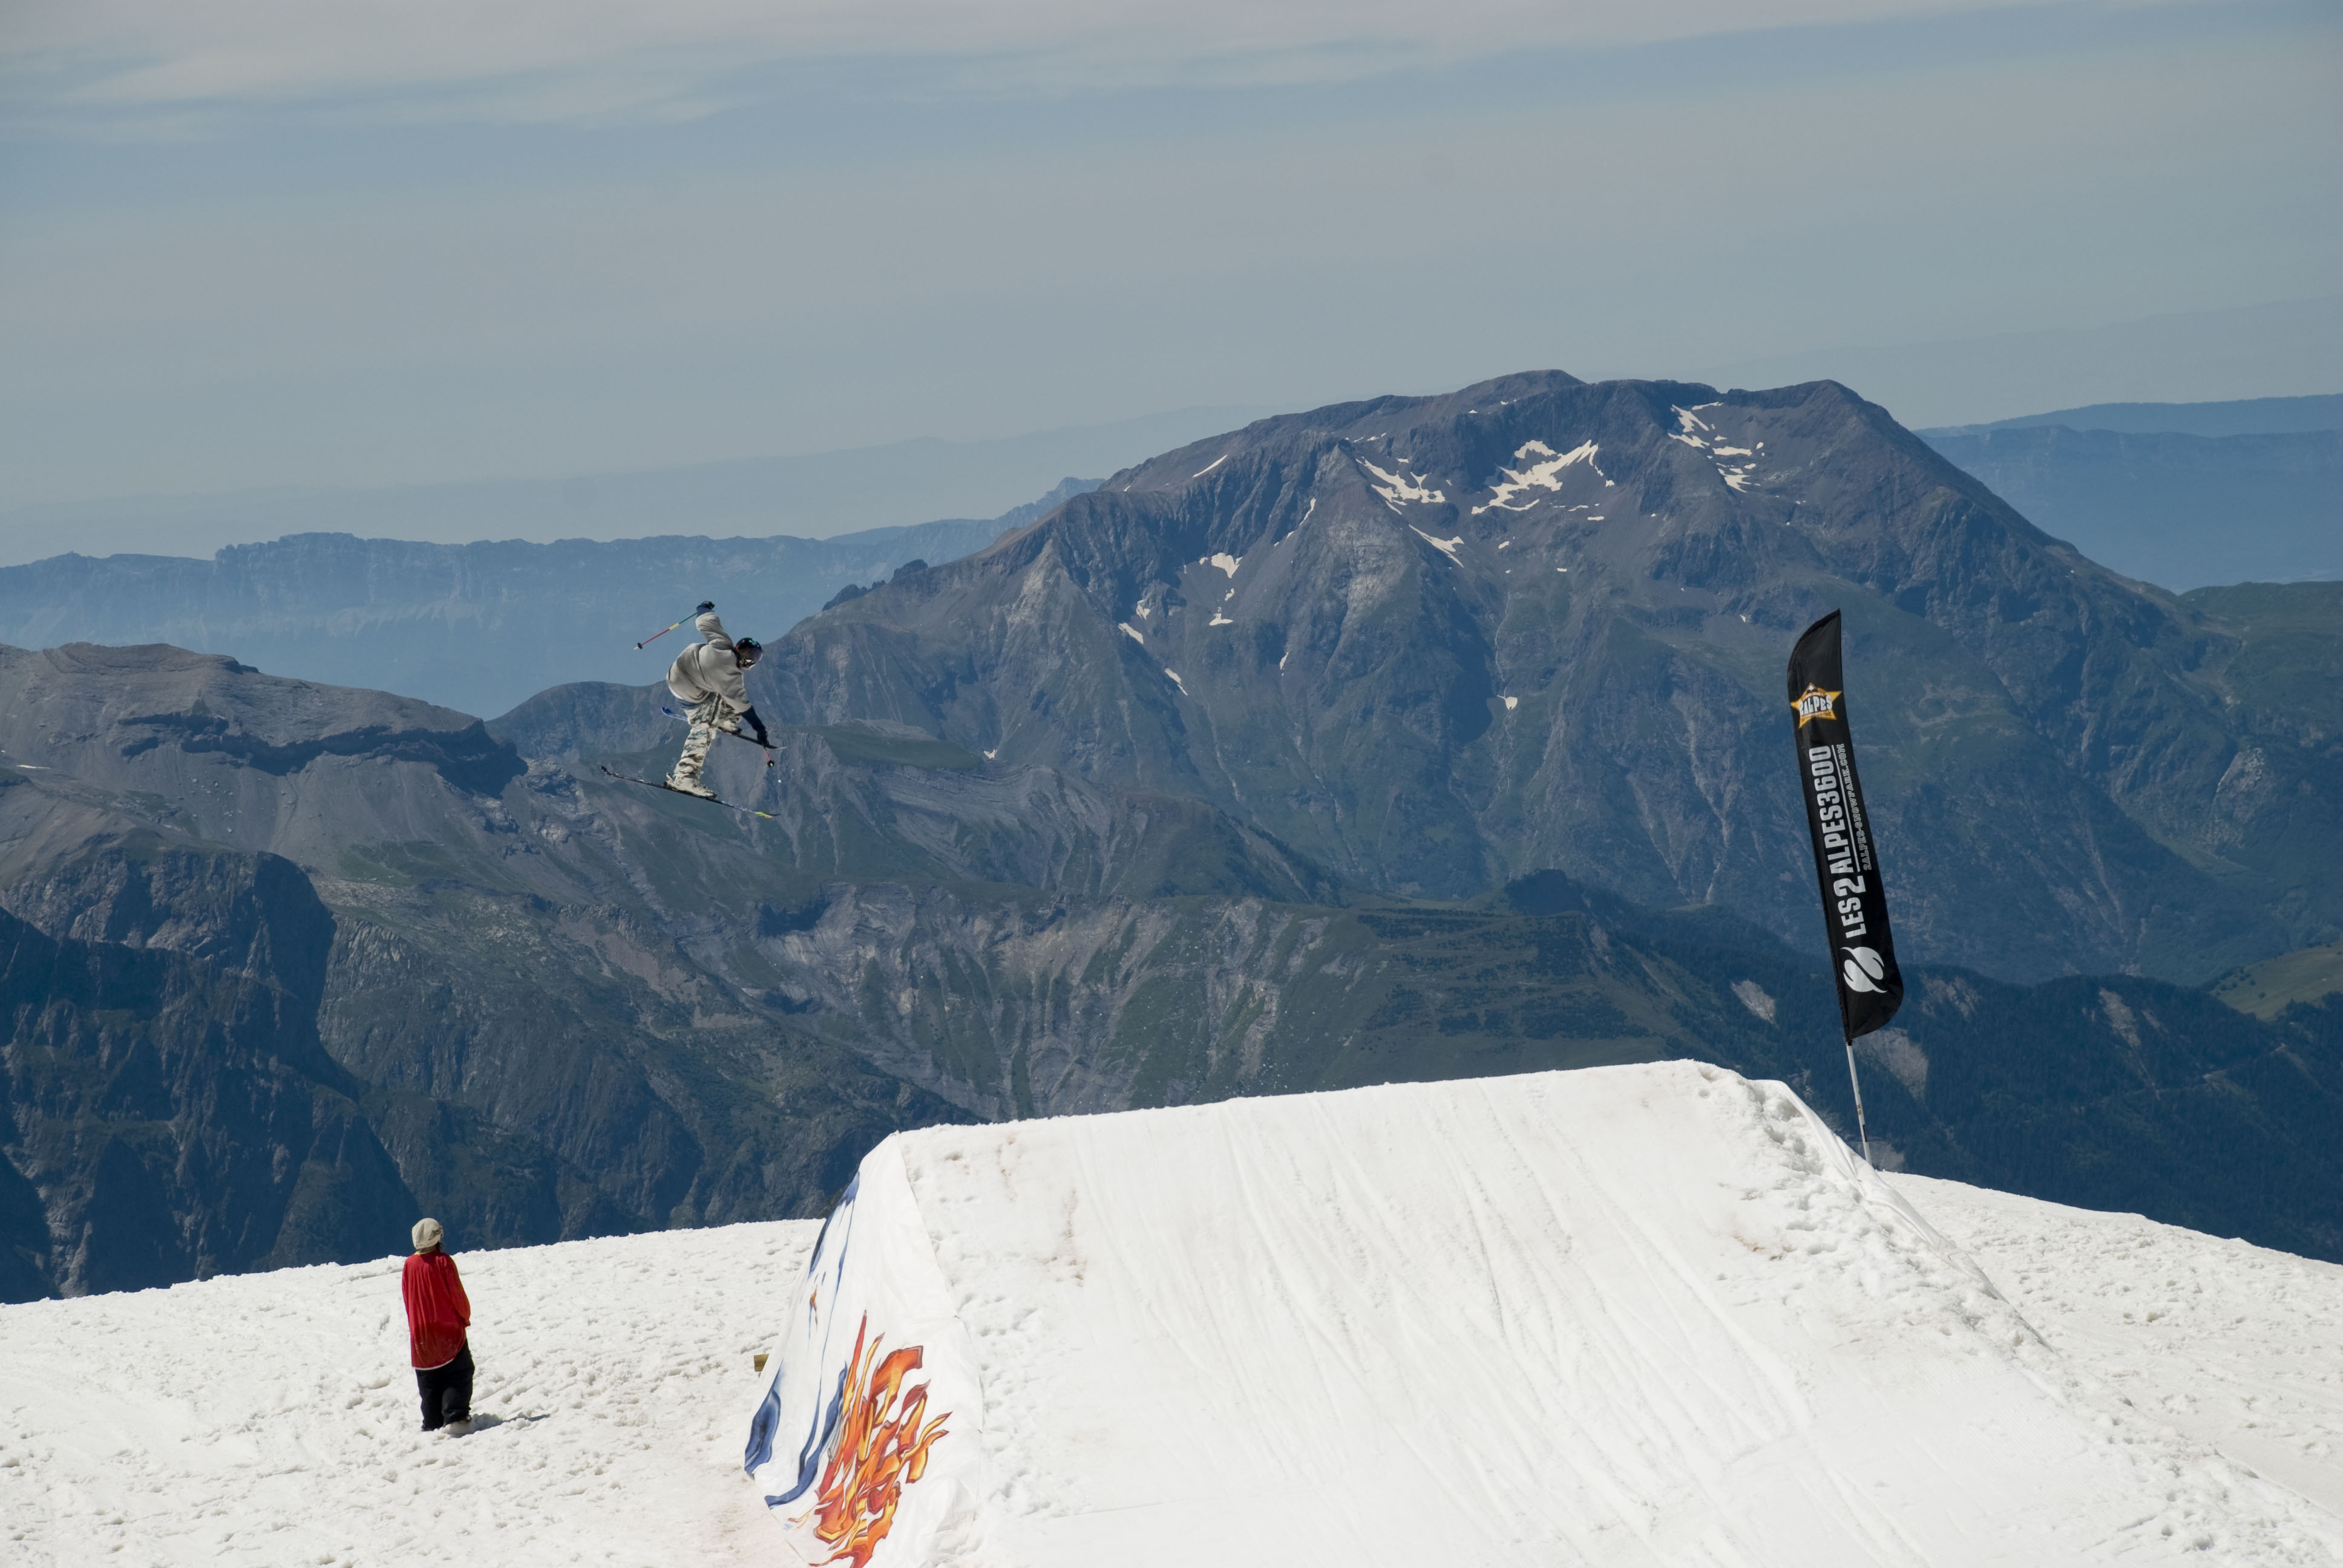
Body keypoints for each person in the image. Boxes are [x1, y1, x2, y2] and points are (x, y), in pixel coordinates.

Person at [664, 601, 772, 799]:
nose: (751, 659)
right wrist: (760, 730)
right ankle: (684, 777)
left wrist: (703, 609)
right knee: (704, 727)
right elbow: (744, 707)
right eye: (752, 657)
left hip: (678, 673)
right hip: (690, 691)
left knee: (724, 698)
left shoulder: (723, 643)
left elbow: (706, 622)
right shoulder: (732, 677)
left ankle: (723, 720)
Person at [403, 1217, 474, 1436]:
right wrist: (464, 1317)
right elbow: (457, 1295)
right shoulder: (444, 1262)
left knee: (429, 1381)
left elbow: (408, 1299)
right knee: (459, 1372)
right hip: (448, 1331)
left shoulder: (409, 1265)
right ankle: (455, 1418)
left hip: (420, 1336)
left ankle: (431, 1422)